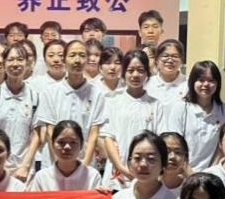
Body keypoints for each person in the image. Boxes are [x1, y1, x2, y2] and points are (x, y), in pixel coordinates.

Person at [0, 43, 41, 182]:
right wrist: (1, 166)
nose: (15, 64)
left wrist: (25, 166)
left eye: (20, 59)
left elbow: (37, 134)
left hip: (24, 169)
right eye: (10, 60)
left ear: (27, 63)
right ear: (4, 64)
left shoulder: (35, 96)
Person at [37, 39, 107, 168]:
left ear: (87, 60)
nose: (77, 60)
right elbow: (50, 130)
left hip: (84, 162)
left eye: (82, 55)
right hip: (54, 162)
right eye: (72, 55)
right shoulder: (50, 92)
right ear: (64, 60)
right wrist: (60, 163)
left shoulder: (97, 93)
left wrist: (84, 165)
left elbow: (94, 133)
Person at [102, 50, 164, 187]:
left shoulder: (156, 105)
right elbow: (108, 138)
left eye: (140, 70)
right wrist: (121, 168)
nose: (135, 75)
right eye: (130, 70)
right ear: (124, 73)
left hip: (146, 170)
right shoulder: (113, 101)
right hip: (117, 174)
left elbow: (159, 141)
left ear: (147, 73)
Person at [165, 60, 225, 171]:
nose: (206, 84)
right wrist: (190, 174)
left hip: (212, 173)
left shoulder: (224, 110)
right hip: (182, 171)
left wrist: (210, 174)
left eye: (211, 80)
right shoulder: (180, 108)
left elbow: (221, 147)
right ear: (192, 82)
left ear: (217, 84)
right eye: (201, 80)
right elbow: (175, 146)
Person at [27, 120, 102, 191]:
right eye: (61, 142)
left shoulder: (92, 176)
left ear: (81, 145)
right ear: (52, 144)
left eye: (73, 142)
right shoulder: (42, 177)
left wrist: (103, 194)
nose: (67, 147)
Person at [146, 39, 187, 107]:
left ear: (182, 60)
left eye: (175, 56)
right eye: (165, 56)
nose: (170, 60)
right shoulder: (147, 84)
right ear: (157, 59)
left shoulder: (188, 84)